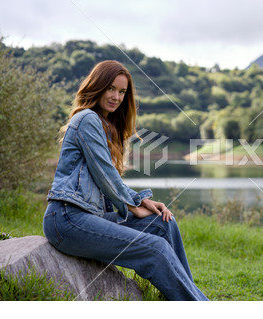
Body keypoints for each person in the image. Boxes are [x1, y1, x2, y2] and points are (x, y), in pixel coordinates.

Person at [43, 60, 208, 301]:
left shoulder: (104, 125)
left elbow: (106, 178)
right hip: (67, 218)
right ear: (97, 86)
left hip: (88, 216)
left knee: (164, 223)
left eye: (122, 92)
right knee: (156, 249)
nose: (116, 97)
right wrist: (133, 205)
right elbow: (105, 174)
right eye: (111, 88)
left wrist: (143, 201)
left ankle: (186, 298)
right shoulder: (87, 119)